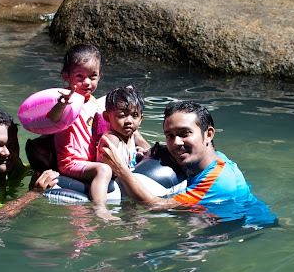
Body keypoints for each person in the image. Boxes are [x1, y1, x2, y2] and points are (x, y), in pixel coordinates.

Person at [100, 101, 274, 226]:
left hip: (243, 229)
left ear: (209, 134)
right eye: (170, 136)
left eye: (185, 133)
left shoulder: (218, 181)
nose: (176, 142)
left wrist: (120, 168)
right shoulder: (208, 157)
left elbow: (155, 206)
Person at [46, 45, 117, 207]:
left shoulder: (92, 101)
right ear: (66, 76)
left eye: (93, 76)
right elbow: (54, 120)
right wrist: (61, 105)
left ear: (100, 76)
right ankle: (100, 209)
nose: (87, 82)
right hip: (70, 162)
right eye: (79, 76)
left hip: (89, 161)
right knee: (104, 170)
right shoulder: (65, 100)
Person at [96, 85, 148, 173]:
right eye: (122, 115)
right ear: (107, 117)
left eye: (135, 115)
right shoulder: (112, 139)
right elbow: (115, 171)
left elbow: (150, 151)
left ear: (141, 119)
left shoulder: (132, 134)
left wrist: (139, 154)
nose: (129, 121)